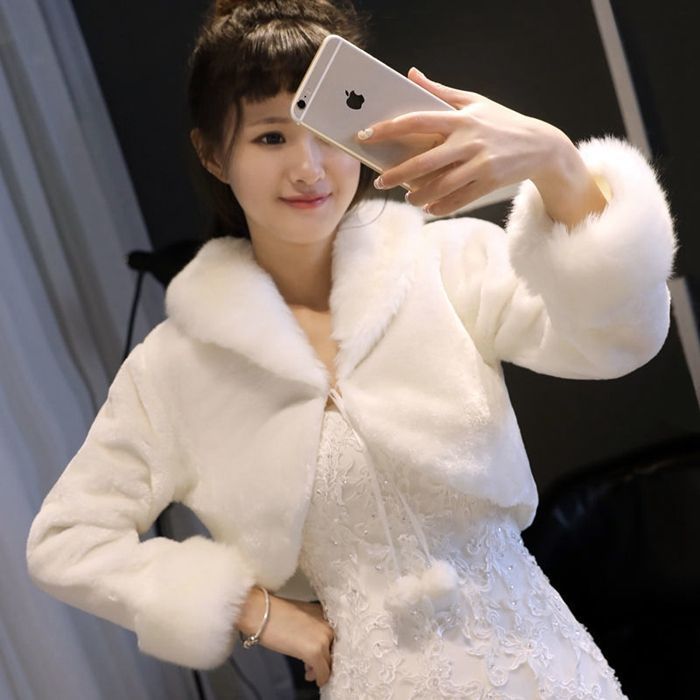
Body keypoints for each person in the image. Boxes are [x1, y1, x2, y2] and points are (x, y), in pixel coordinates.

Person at [26, 0, 676, 698]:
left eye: (325, 133)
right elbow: (67, 542)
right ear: (213, 154)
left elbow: (621, 340)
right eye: (271, 138)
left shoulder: (447, 263)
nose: (309, 169)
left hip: (548, 672)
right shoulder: (177, 369)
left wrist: (555, 161)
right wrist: (258, 611)